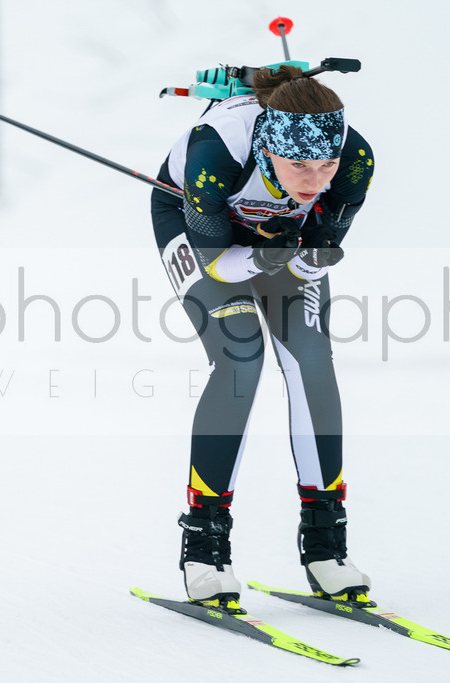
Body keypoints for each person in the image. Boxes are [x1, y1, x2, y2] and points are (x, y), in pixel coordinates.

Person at [150, 65, 375, 608]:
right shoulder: (216, 151)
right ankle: (204, 548)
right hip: (195, 225)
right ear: (269, 146)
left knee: (311, 361)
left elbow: (319, 252)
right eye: (298, 164)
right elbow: (220, 262)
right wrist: (263, 253)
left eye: (325, 164)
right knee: (240, 356)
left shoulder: (357, 161)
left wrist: (292, 263)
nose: (314, 180)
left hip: (279, 239)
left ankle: (326, 546)